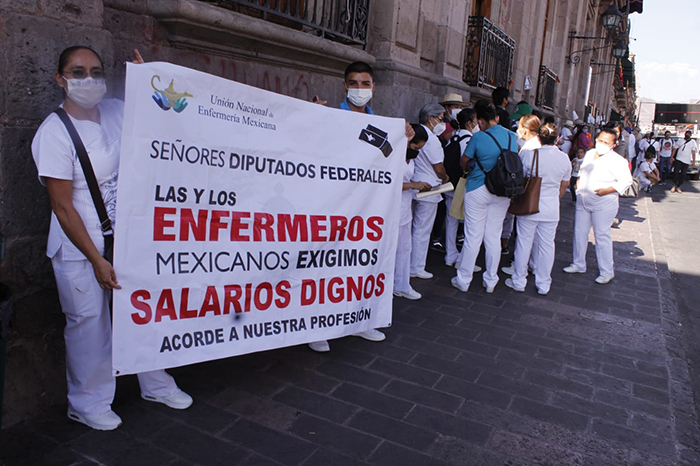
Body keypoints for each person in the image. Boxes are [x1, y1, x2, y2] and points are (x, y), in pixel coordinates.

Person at [31, 46, 193, 431]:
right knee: (89, 323)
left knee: (142, 311)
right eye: (78, 72)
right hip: (79, 243)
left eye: (96, 71)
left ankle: (155, 382)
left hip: (129, 236)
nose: (89, 80)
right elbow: (62, 205)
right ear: (60, 79)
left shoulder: (119, 111)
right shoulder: (54, 132)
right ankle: (88, 402)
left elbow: (171, 119)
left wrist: (147, 82)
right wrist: (97, 258)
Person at [309, 61, 410, 352]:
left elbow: (388, 161)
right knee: (325, 268)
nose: (359, 89)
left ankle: (357, 321)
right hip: (330, 206)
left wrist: (405, 140)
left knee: (356, 268)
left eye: (365, 84)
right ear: (344, 86)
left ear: (374, 87)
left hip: (364, 210)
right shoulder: (330, 117)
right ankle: (315, 326)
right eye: (353, 83)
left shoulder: (381, 124)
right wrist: (311, 117)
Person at [452, 100, 516, 294]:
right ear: (496, 117)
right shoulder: (512, 137)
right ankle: (491, 280)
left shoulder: (478, 138)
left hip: (478, 187)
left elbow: (464, 161)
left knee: (473, 236)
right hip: (502, 190)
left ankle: (463, 280)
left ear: (479, 120)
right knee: (493, 236)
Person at [505, 125, 571, 295]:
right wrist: (554, 199)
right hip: (551, 207)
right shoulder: (564, 159)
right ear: (557, 139)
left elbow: (520, 178)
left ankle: (519, 280)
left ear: (539, 139)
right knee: (547, 245)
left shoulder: (529, 155)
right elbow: (564, 185)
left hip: (530, 205)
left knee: (523, 242)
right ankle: (544, 283)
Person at [563, 128, 633, 284]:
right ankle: (578, 263)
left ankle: (607, 271)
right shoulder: (589, 153)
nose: (601, 144)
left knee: (601, 236)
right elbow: (582, 170)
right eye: (600, 140)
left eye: (606, 142)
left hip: (604, 202)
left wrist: (606, 190)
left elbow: (626, 181)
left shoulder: (618, 161)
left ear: (613, 145)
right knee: (580, 232)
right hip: (583, 199)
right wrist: (579, 181)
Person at [410, 103, 450, 279]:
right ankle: (416, 266)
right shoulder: (431, 139)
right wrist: (445, 178)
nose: (443, 123)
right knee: (422, 229)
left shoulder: (417, 133)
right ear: (430, 118)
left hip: (414, 183)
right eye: (441, 118)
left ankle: (410, 264)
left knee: (413, 228)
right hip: (429, 187)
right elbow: (438, 168)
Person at [394, 125, 432, 300]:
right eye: (416, 148)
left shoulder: (412, 159)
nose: (417, 152)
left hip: (405, 207)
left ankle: (401, 284)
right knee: (391, 249)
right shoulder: (394, 157)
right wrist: (413, 185)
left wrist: (419, 185)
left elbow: (408, 180)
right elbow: (391, 183)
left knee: (404, 248)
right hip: (392, 209)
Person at [443, 108, 479, 268]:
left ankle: (450, 254)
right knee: (468, 222)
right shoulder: (470, 140)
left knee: (451, 220)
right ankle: (463, 258)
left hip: (451, 183)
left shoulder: (454, 136)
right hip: (464, 185)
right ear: (470, 122)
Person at [502, 115, 541, 254]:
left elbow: (521, 173)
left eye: (519, 127)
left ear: (525, 130)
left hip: (528, 193)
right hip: (541, 196)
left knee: (525, 235)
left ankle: (519, 268)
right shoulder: (539, 145)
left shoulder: (528, 149)